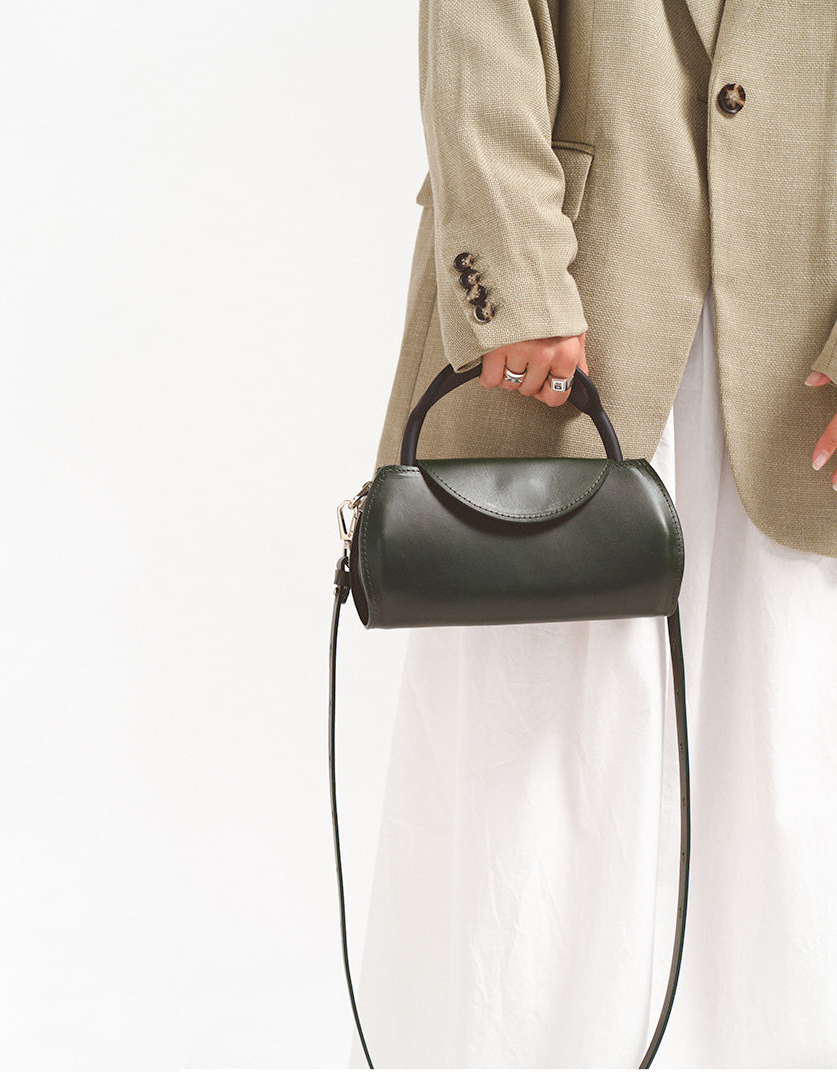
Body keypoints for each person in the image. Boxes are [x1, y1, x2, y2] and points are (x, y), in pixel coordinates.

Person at [354, 2, 837, 1066]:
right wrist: (513, 273)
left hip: (808, 347)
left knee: (793, 779)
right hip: (569, 330)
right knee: (536, 775)